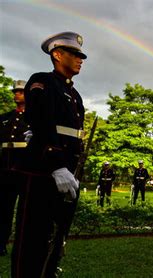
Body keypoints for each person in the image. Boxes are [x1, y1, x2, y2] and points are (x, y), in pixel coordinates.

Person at [12, 32, 87, 277]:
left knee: (56, 239)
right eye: (75, 54)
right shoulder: (42, 81)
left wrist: (72, 169)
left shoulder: (75, 95)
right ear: (57, 54)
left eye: (81, 56)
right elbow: (42, 122)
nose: (80, 59)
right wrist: (57, 165)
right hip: (45, 172)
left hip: (68, 175)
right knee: (33, 238)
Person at [0, 80, 28, 256]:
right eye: (15, 91)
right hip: (4, 168)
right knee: (3, 208)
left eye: (20, 91)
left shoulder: (34, 118)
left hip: (24, 168)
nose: (16, 94)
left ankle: (23, 244)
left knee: (25, 211)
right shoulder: (4, 118)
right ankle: (1, 242)